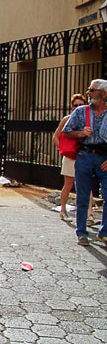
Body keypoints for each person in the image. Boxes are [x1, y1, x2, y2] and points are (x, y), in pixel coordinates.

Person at [62, 79, 107, 246]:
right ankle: (81, 232)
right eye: (88, 89)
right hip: (85, 156)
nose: (88, 93)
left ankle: (104, 233)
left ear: (103, 94)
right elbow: (66, 131)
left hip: (104, 158)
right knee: (82, 195)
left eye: (92, 90)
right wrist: (81, 133)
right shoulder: (81, 112)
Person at [53, 93, 93, 222]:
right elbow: (56, 136)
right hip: (70, 156)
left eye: (81, 105)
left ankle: (89, 214)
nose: (78, 107)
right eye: (75, 105)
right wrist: (63, 149)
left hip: (84, 155)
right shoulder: (67, 119)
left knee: (87, 185)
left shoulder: (90, 120)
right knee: (69, 183)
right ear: (71, 106)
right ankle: (63, 210)